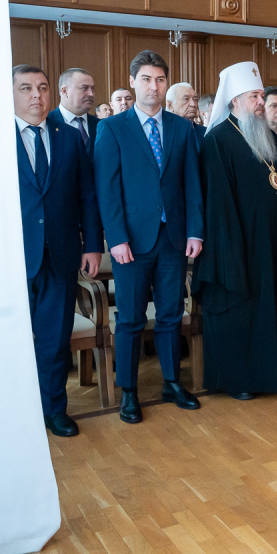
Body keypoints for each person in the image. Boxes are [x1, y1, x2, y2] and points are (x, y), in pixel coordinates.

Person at [94, 50, 204, 424]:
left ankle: (172, 382)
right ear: (132, 82)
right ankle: (129, 391)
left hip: (173, 239)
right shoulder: (112, 128)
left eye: (159, 79)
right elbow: (107, 190)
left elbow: (192, 184)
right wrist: (116, 238)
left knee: (172, 314)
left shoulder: (181, 128)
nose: (153, 86)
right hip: (131, 243)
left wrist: (195, 231)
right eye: (146, 79)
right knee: (130, 318)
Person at [194, 62, 277, 400]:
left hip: (274, 241)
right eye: (255, 96)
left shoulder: (267, 135)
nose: (261, 102)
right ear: (235, 100)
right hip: (238, 243)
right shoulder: (217, 140)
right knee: (244, 311)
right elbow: (218, 203)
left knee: (274, 307)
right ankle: (241, 379)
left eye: (261, 95)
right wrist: (233, 248)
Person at [14, 65, 102, 437]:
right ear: (11, 94)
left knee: (54, 340)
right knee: (12, 340)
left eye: (42, 87)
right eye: (25, 88)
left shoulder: (67, 137)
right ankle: (16, 413)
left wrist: (93, 246)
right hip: (11, 258)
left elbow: (87, 196)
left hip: (61, 255)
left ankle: (54, 410)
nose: (36, 95)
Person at [48, 67, 99, 161]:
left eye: (93, 89)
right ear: (64, 91)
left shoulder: (100, 125)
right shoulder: (46, 123)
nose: (91, 94)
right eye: (84, 88)